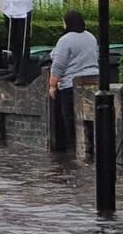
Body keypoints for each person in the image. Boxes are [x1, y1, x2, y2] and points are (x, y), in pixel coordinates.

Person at [49, 10, 99, 152]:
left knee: (69, 118)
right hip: (93, 82)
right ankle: (92, 148)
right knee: (90, 118)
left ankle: (73, 149)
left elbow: (58, 65)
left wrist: (52, 86)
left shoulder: (65, 40)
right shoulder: (91, 37)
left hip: (70, 86)